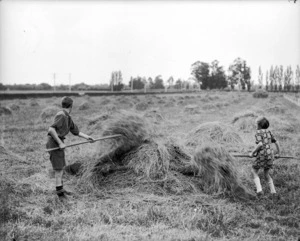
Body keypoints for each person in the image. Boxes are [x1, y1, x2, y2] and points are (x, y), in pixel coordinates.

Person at [46, 96, 95, 199]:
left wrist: (88, 137)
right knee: (58, 170)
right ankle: (60, 194)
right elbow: (51, 130)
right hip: (54, 144)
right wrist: (60, 143)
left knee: (61, 168)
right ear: (71, 106)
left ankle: (61, 189)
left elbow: (75, 131)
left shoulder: (68, 117)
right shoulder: (61, 115)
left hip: (59, 143)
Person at [249, 116, 280, 197]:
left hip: (262, 156)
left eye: (256, 123)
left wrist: (252, 153)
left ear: (259, 125)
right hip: (270, 155)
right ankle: (273, 192)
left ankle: (259, 190)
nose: (255, 125)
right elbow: (276, 143)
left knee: (254, 171)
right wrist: (278, 153)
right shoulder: (269, 132)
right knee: (266, 174)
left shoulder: (258, 132)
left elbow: (260, 144)